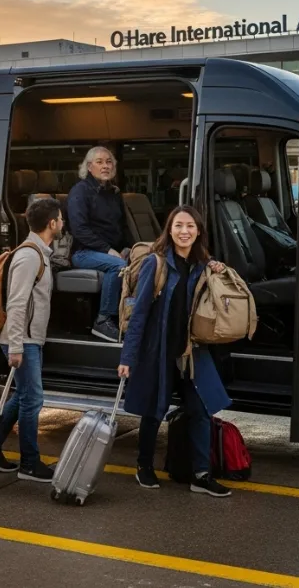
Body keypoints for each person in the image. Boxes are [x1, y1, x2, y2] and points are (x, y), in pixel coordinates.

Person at [118, 205, 233, 497]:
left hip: (191, 353)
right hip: (158, 352)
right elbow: (140, 313)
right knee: (153, 411)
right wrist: (128, 358)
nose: (185, 231)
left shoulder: (203, 265)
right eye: (179, 226)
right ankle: (144, 466)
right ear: (169, 230)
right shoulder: (155, 265)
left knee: (201, 410)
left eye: (191, 226)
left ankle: (201, 474)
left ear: (198, 232)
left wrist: (220, 270)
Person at [0, 197, 63, 482]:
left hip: (31, 339)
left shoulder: (41, 253)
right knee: (33, 399)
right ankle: (29, 463)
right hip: (23, 340)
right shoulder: (29, 256)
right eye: (61, 219)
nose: (63, 223)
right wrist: (16, 346)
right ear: (52, 223)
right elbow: (17, 303)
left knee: (22, 397)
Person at [67, 146, 132, 342]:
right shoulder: (80, 191)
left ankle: (129, 316)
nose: (105, 166)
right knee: (119, 266)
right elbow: (79, 230)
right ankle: (103, 320)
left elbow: (122, 227)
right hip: (84, 252)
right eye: (100, 162)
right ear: (89, 167)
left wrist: (130, 248)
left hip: (109, 251)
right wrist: (108, 250)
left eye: (109, 162)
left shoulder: (113, 193)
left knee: (142, 260)